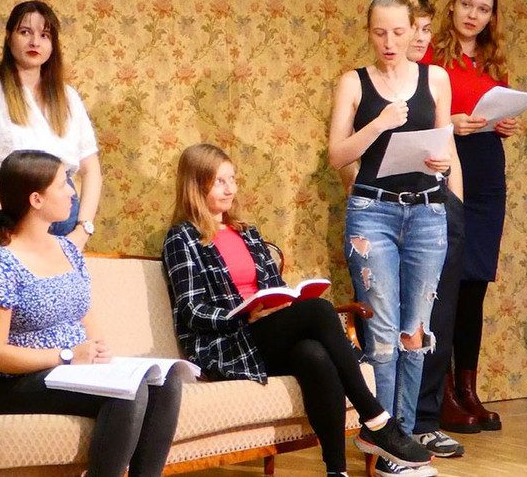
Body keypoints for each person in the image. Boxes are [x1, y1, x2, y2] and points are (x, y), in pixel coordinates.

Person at [162, 144, 433, 477]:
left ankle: (337, 471)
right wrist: (243, 314)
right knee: (319, 310)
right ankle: (377, 421)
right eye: (219, 181)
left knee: (312, 354)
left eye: (232, 179)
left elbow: (274, 286)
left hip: (264, 335)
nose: (230, 189)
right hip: (229, 342)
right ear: (196, 184)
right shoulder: (182, 238)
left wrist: (284, 302)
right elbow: (191, 310)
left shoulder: (247, 233)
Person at [0, 150, 180, 476]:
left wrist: (100, 351)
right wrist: (67, 356)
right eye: (63, 183)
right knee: (128, 394)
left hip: (75, 371)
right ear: (36, 199)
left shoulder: (67, 249)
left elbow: (84, 312)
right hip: (22, 383)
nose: (72, 192)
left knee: (166, 382)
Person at [328, 0, 460, 477]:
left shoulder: (435, 78)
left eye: (398, 32)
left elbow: (444, 144)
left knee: (414, 331)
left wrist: (444, 166)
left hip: (426, 211)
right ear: (369, 32)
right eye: (379, 32)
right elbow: (337, 156)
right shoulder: (354, 82)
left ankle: (402, 439)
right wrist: (380, 124)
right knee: (382, 331)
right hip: (373, 212)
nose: (389, 42)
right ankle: (385, 442)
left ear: (413, 32)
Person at [419, 0, 518, 435]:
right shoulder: (431, 56)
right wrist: (451, 123)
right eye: (466, 4)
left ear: (491, 16)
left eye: (482, 8)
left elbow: (497, 110)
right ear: (452, 6)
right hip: (448, 167)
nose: (473, 14)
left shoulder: (494, 60)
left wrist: (503, 124)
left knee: (475, 284)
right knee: (447, 283)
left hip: (487, 173)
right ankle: (441, 396)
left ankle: (468, 390)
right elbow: (419, 118)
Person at [0, 0, 101, 249]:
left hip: (62, 216)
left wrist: (83, 231)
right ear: (9, 37)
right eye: (25, 32)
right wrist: (12, 225)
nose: (35, 42)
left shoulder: (68, 97)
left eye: (44, 35)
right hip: (8, 213)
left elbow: (92, 170)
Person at [400, 0, 470, 459]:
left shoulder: (435, 79)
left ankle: (426, 421)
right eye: (416, 29)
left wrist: (455, 205)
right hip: (391, 210)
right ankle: (394, 423)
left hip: (438, 205)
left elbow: (448, 148)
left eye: (428, 29)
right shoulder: (370, 83)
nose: (423, 38)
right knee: (401, 321)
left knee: (438, 317)